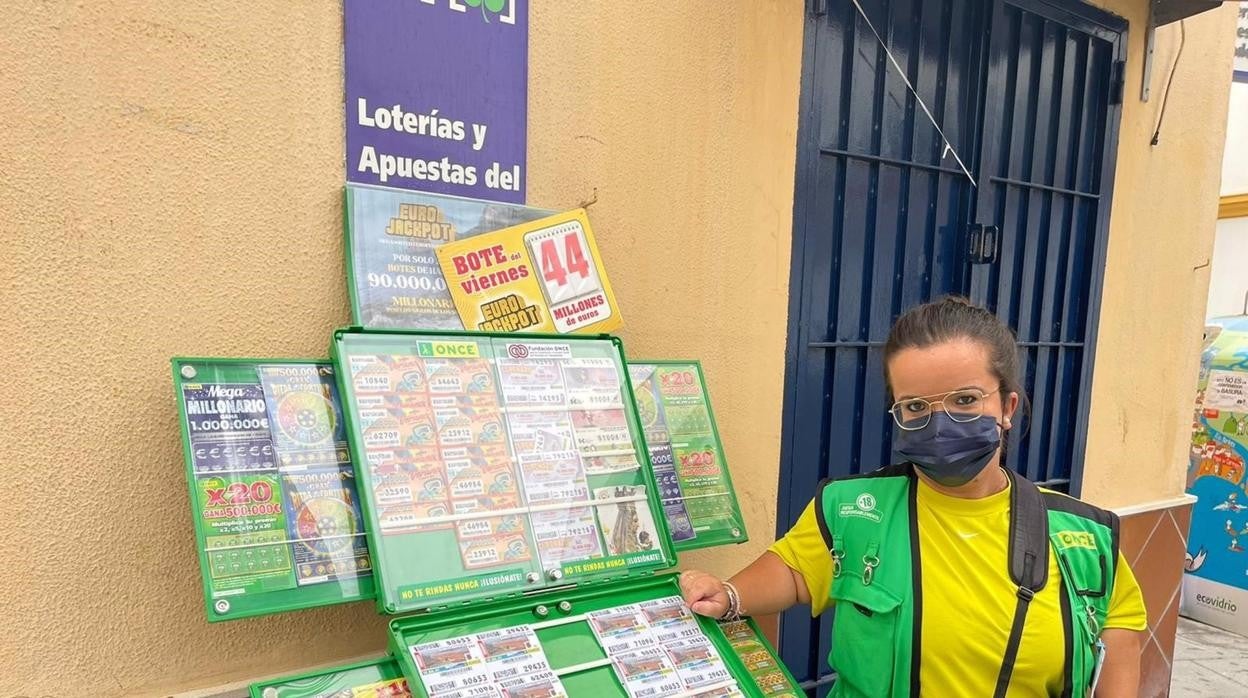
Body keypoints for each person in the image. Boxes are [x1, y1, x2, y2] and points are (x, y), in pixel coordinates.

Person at [680, 297, 1147, 697]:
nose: (940, 422)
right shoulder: (852, 508)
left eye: (965, 400)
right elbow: (797, 571)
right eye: (916, 406)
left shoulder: (1086, 539)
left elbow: (1119, 660)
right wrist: (730, 593)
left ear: (1007, 407)